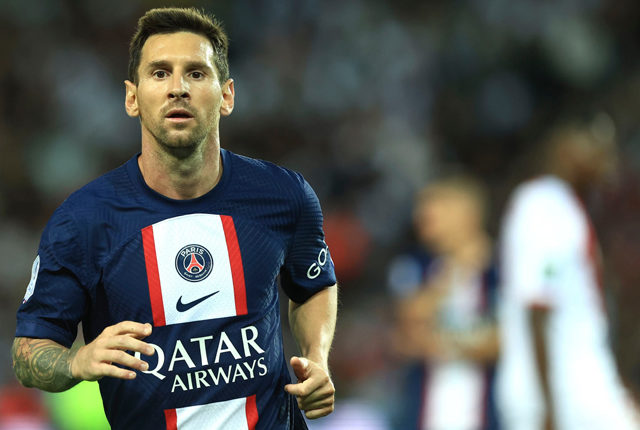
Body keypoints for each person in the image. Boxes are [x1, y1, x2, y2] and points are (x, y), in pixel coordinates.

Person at [11, 7, 337, 430]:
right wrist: (77, 361)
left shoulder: (283, 195)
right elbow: (28, 352)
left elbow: (314, 284)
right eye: (160, 73)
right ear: (132, 98)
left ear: (227, 96)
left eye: (196, 73)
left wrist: (316, 357)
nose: (178, 88)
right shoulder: (84, 221)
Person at [496, 116, 638, 430]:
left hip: (578, 384)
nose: (607, 159)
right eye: (596, 149)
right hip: (562, 390)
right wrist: (547, 410)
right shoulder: (542, 205)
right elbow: (536, 306)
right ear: (567, 151)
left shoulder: (565, 205)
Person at [387, 175, 500, 430]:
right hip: (421, 416)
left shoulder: (501, 269)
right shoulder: (413, 265)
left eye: (433, 206)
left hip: (487, 416)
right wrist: (456, 268)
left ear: (467, 214)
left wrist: (436, 342)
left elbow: (504, 341)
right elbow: (406, 330)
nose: (420, 215)